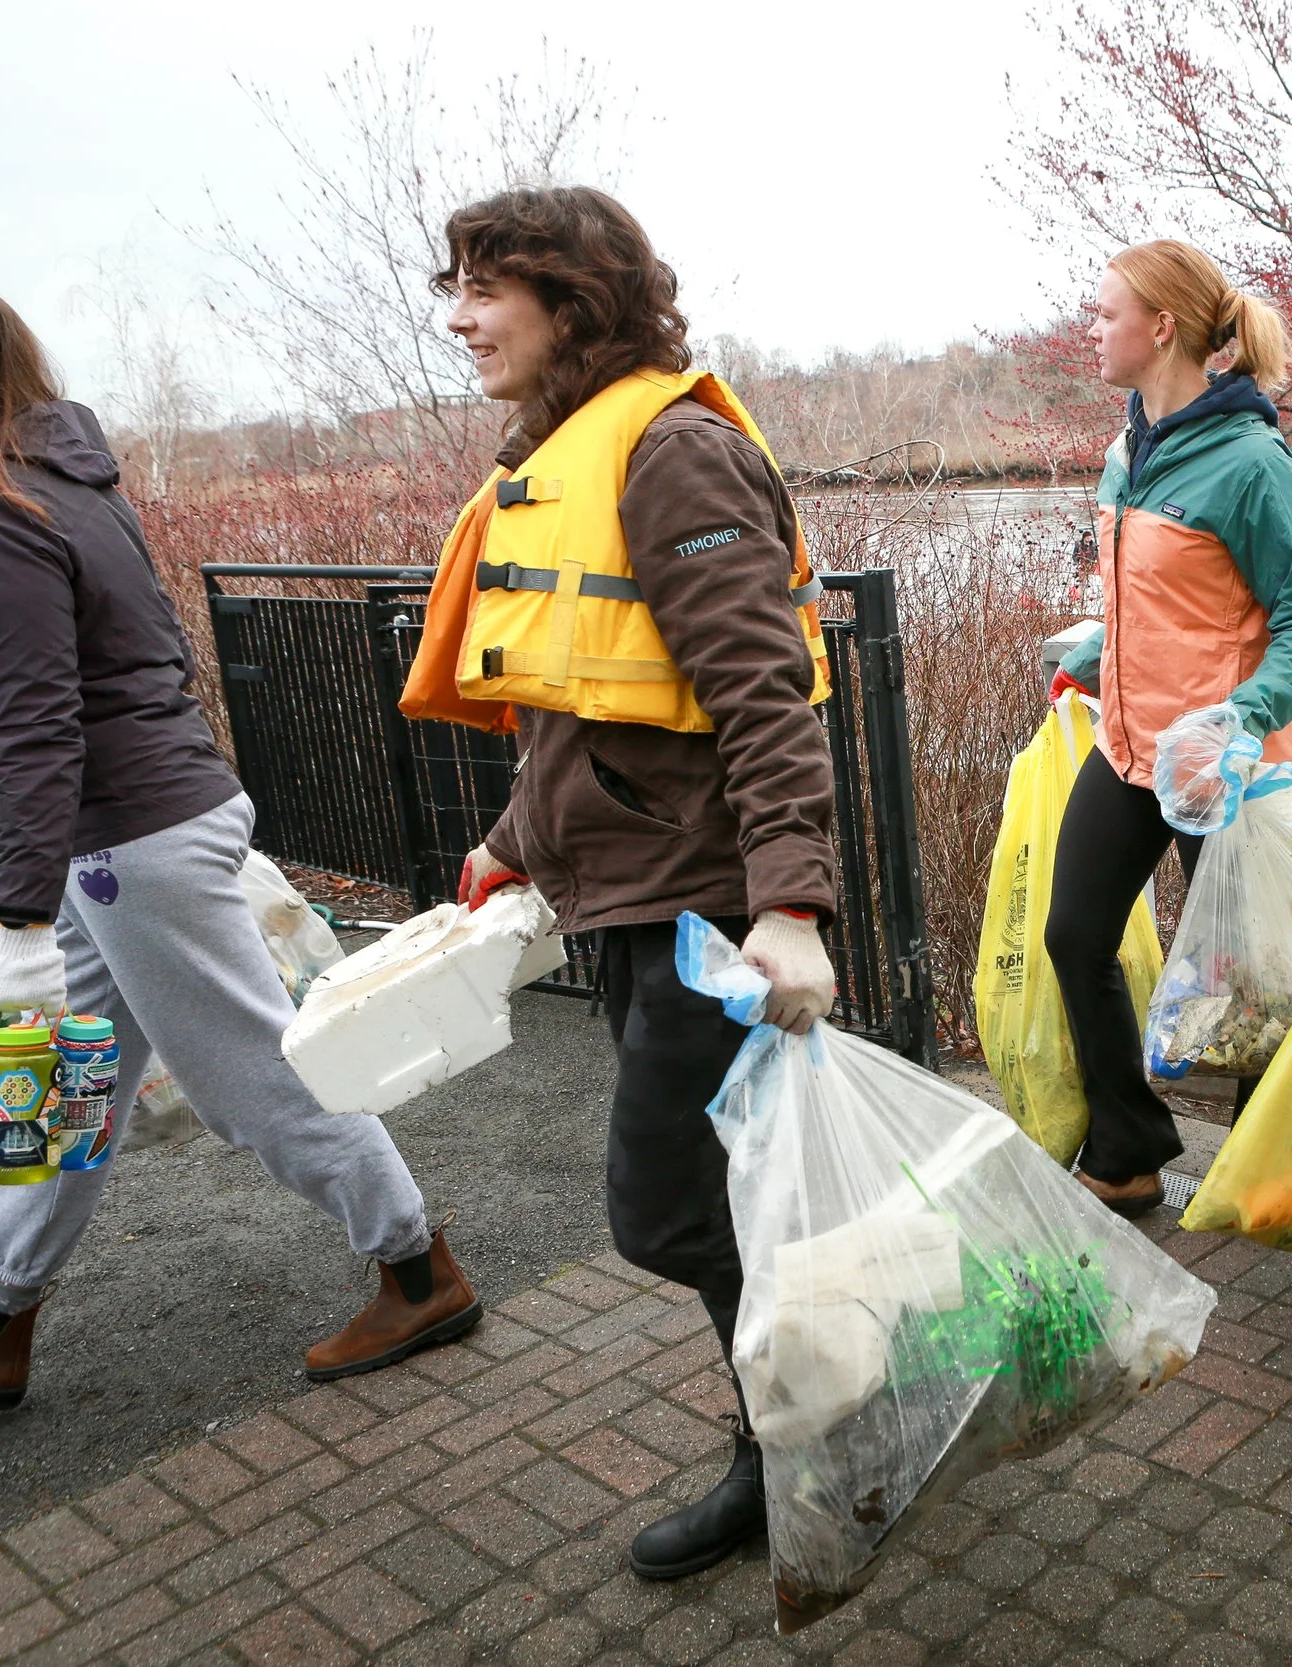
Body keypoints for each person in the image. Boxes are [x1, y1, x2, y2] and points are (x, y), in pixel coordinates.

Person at [0, 278, 478, 1411]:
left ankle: (420, 1271)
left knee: (256, 1076)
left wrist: (22, 910)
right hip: (139, 825)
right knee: (65, 1078)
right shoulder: (71, 482)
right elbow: (147, 663)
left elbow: (34, 720)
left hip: (129, 841)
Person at [401, 187, 841, 1579]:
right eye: (454, 286)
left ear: (571, 305)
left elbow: (766, 699)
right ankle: (800, 1439)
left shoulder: (673, 453)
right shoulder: (567, 454)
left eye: (487, 288)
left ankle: (825, 1415)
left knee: (671, 1209)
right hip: (641, 893)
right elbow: (586, 706)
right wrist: (516, 839)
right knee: (730, 1200)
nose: (460, 316)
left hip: (712, 910)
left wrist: (792, 905)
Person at [1042, 240, 1292, 1217]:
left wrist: (1242, 716)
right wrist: (1096, 654)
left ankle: (1274, 1171)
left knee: (1252, 985)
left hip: (1229, 770)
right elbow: (1172, 603)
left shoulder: (1252, 464)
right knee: (1074, 934)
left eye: (1104, 311)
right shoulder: (1130, 447)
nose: (1090, 327)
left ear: (1160, 326)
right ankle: (1128, 1145)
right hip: (1131, 752)